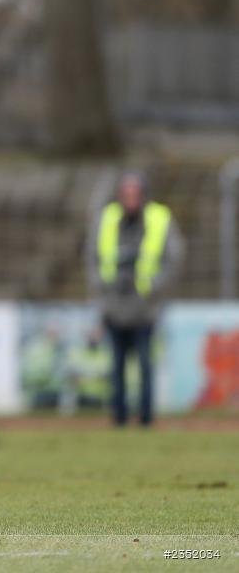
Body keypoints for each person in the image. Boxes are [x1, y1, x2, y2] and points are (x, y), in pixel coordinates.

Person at [87, 173, 183, 426]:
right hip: (115, 305)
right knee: (116, 366)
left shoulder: (159, 218)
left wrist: (154, 286)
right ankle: (118, 418)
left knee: (144, 364)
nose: (130, 198)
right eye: (126, 193)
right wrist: (103, 288)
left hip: (144, 307)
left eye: (135, 193)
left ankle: (146, 419)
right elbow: (92, 258)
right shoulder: (106, 218)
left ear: (143, 195)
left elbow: (174, 257)